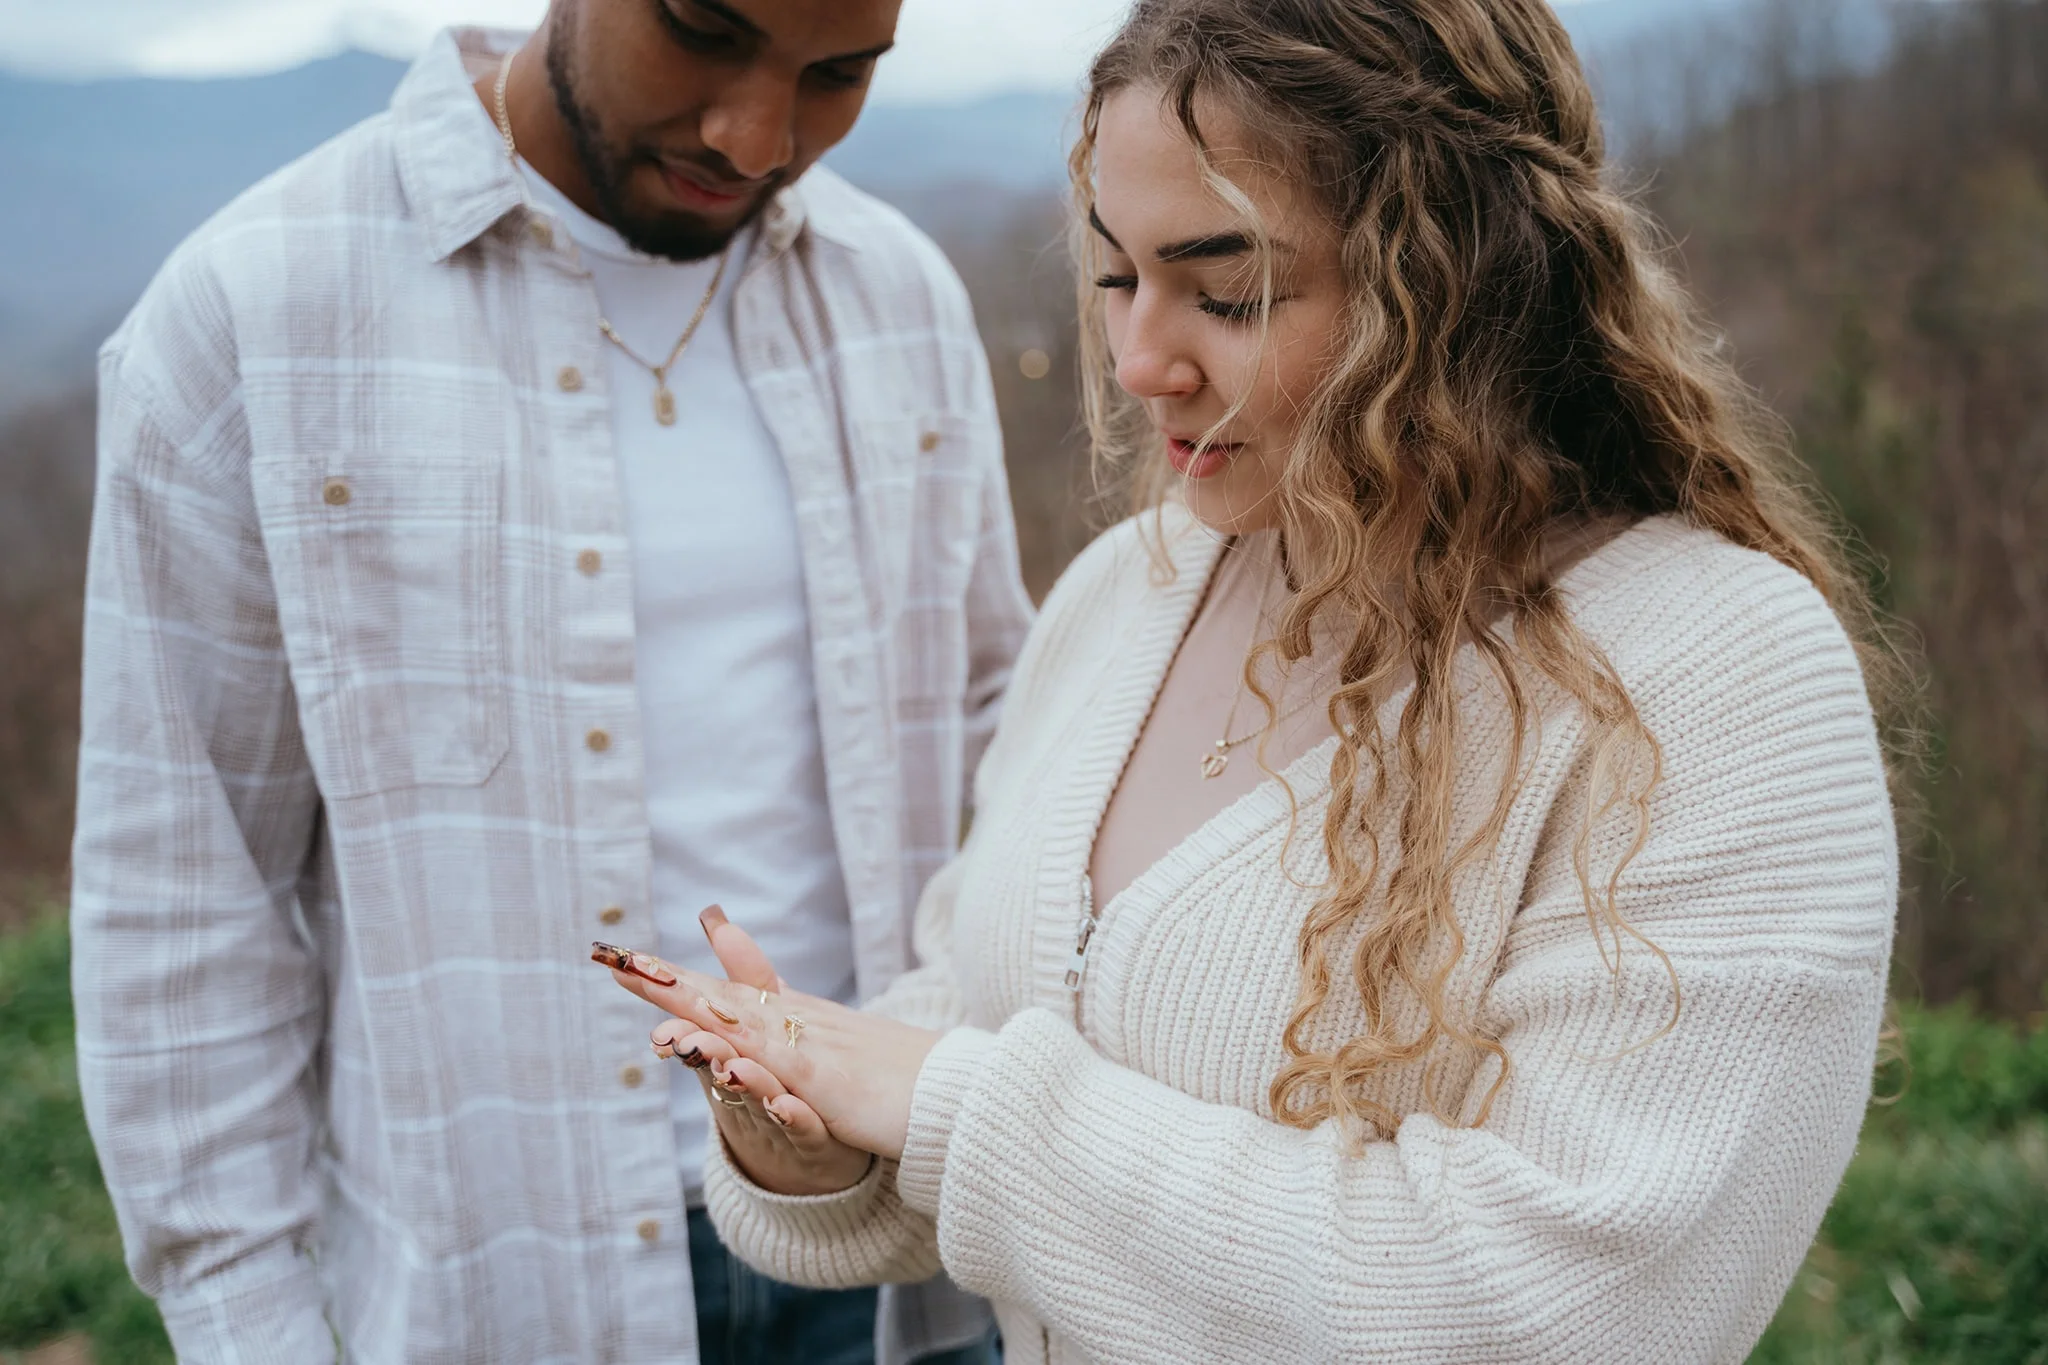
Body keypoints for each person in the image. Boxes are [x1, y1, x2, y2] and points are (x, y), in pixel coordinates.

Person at [601, 1, 1906, 1361]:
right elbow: (983, 1013)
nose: (1137, 359)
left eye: (1229, 292)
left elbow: (1570, 1310)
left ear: (1462, 279)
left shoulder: (1715, 675)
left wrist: (951, 1107)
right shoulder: (1137, 584)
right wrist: (809, 1121)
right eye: (1117, 278)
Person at [70, 2, 1031, 1362]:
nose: (757, 135)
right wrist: (247, 1323)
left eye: (837, 74)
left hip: (901, 1242)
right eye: (703, 31)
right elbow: (184, 892)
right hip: (505, 1277)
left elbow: (1002, 737)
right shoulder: (253, 313)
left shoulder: (900, 296)